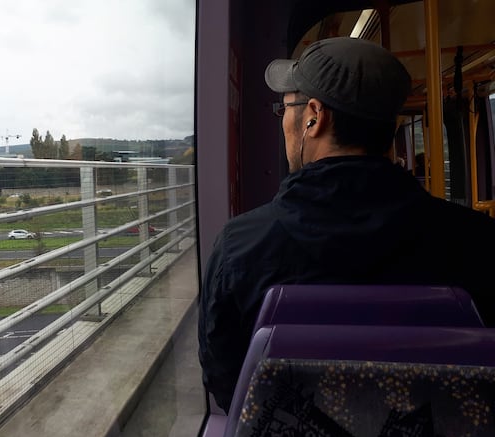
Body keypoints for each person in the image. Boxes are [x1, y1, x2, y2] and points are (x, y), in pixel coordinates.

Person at [197, 37, 495, 412]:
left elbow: (227, 384)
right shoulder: (479, 241)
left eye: (286, 108)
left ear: (314, 117)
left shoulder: (239, 247)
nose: (283, 120)